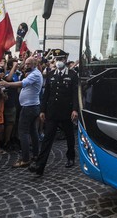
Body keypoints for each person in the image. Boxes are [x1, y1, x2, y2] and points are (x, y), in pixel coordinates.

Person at [29, 49, 79, 177]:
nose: (58, 62)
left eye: (60, 59)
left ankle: (70, 156)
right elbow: (46, 94)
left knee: (69, 136)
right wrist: (42, 110)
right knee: (47, 139)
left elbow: (75, 94)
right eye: (56, 59)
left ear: (65, 60)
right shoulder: (51, 74)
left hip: (66, 111)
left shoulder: (72, 75)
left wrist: (75, 109)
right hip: (52, 112)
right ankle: (39, 166)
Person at [0, 56, 43, 168]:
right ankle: (36, 154)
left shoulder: (35, 75)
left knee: (23, 132)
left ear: (34, 64)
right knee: (33, 131)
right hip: (32, 105)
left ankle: (25, 159)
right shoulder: (34, 73)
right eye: (26, 63)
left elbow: (22, 84)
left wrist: (8, 84)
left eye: (28, 64)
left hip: (29, 107)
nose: (26, 66)